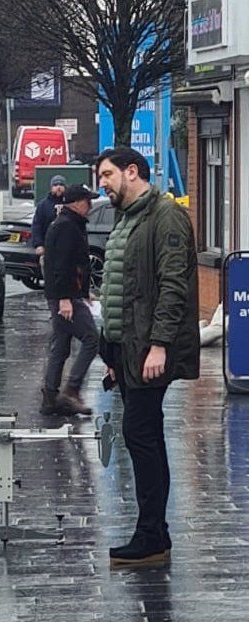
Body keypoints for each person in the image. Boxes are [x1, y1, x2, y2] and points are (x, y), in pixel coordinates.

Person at [97, 147, 200, 566]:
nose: (102, 183)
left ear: (132, 171)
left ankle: (151, 536)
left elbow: (173, 284)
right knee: (144, 436)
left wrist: (159, 344)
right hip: (129, 350)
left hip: (148, 350)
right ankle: (155, 533)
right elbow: (120, 289)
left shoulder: (165, 216)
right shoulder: (129, 217)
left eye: (107, 174)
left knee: (142, 435)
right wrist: (111, 352)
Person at [41, 184, 100, 417]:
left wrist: (84, 291)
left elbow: (75, 264)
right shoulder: (67, 227)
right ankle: (71, 390)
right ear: (76, 203)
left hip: (66, 295)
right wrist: (66, 298)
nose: (91, 205)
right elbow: (61, 265)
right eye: (87, 201)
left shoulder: (68, 224)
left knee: (62, 345)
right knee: (91, 339)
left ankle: (51, 397)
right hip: (65, 297)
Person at [32, 175, 67, 256]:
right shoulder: (43, 205)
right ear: (51, 187)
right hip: (48, 249)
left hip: (67, 250)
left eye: (61, 185)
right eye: (55, 185)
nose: (58, 187)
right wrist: (39, 244)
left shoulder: (70, 203)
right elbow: (37, 225)